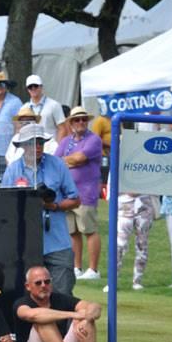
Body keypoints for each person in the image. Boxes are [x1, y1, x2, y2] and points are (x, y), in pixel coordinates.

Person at [2, 123, 80, 295]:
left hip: (57, 240)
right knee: (28, 296)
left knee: (62, 293)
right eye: (31, 142)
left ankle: (64, 322)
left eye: (40, 142)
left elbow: (75, 199)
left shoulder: (58, 164)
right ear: (22, 146)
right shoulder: (13, 170)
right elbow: (4, 208)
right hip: (25, 243)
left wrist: (54, 206)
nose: (37, 146)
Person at [14, 265, 106, 342]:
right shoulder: (21, 303)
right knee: (44, 321)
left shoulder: (60, 298)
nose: (43, 285)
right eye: (38, 283)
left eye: (47, 282)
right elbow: (32, 315)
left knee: (85, 319)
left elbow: (94, 307)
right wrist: (73, 315)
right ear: (28, 286)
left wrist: (86, 318)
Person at [57, 107, 103, 281]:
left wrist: (67, 161)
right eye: (77, 120)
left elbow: (79, 159)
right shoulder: (66, 141)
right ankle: (77, 267)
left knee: (89, 230)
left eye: (84, 119)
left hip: (86, 192)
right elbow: (56, 161)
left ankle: (93, 269)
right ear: (71, 123)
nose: (81, 122)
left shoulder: (94, 140)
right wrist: (68, 161)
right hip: (68, 194)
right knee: (72, 232)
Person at [111, 191, 157, 291]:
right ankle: (112, 282)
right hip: (123, 204)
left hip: (144, 204)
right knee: (119, 245)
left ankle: (137, 281)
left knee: (142, 244)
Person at [23, 74, 67, 142]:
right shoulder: (24, 108)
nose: (33, 88)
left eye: (36, 86)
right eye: (30, 87)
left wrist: (58, 148)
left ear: (41, 87)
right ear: (27, 89)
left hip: (49, 147)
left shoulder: (54, 105)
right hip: (31, 148)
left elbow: (62, 128)